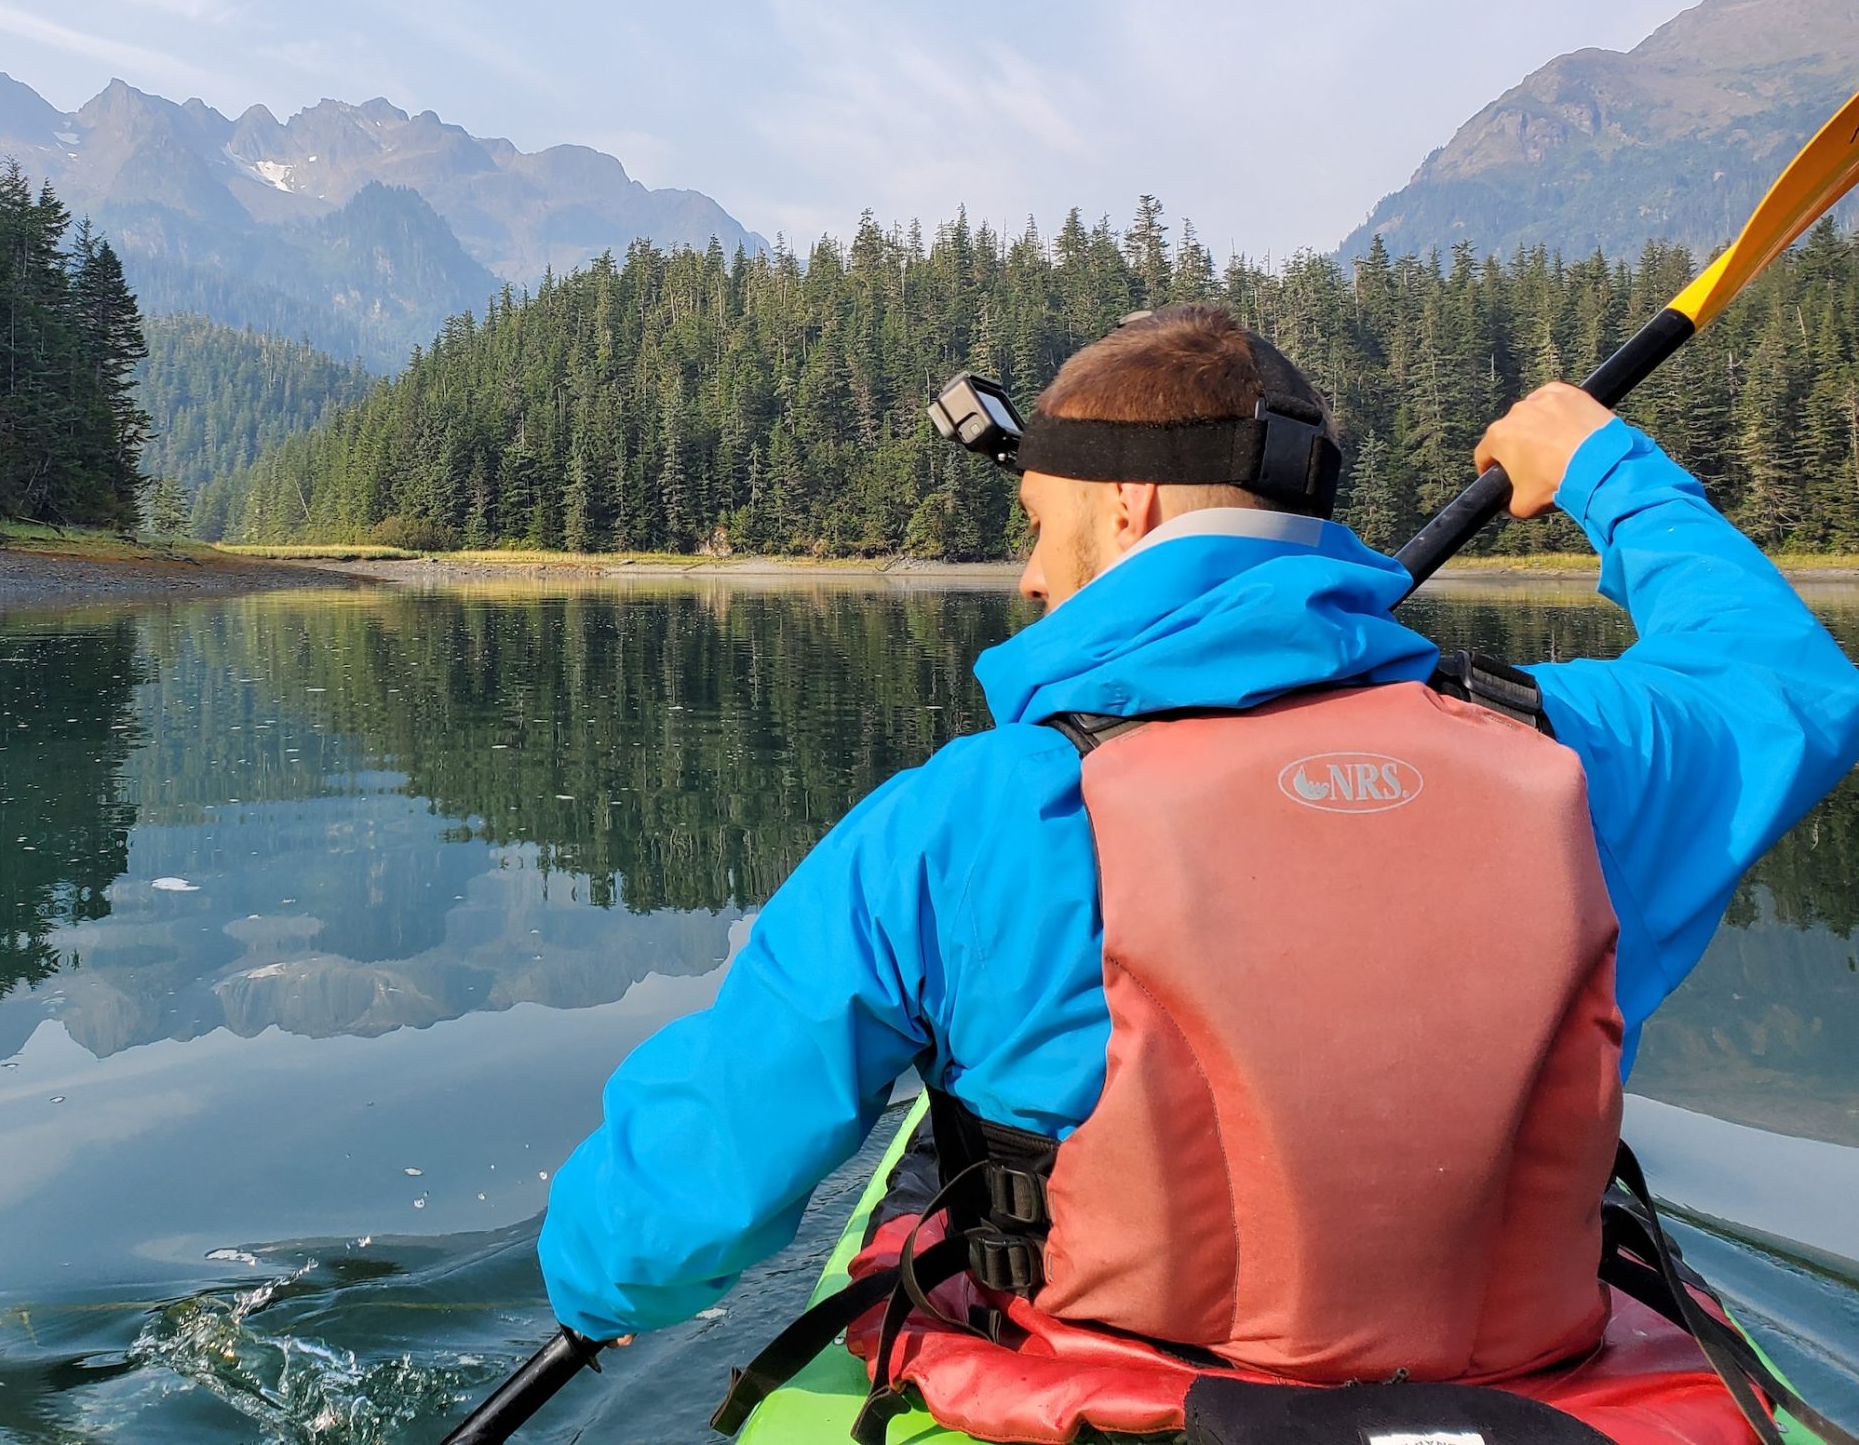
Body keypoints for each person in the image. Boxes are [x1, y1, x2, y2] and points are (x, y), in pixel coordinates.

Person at [535, 303, 1859, 1444]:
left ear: (1129, 505)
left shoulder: (969, 814)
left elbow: (679, 1213)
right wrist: (1597, 462)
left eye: (1039, 525)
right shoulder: (1574, 755)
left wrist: (591, 1285)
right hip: (1530, 1392)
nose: (1033, 577)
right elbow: (1789, 685)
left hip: (1115, 1401)